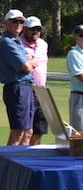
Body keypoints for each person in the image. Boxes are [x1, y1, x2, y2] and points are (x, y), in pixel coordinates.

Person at [0, 9, 39, 145]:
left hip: (26, 87)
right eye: (15, 21)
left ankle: (21, 165)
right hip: (16, 88)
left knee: (28, 131)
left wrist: (29, 62)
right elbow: (27, 66)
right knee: (18, 131)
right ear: (7, 23)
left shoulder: (17, 42)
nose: (19, 24)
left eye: (21, 21)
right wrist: (28, 62)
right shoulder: (6, 42)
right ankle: (6, 165)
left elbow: (34, 60)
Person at [20, 16, 48, 145]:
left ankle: (34, 155)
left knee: (39, 128)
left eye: (38, 29)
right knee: (26, 130)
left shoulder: (43, 44)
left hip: (41, 90)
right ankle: (21, 159)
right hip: (26, 89)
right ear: (25, 29)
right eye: (32, 29)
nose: (35, 32)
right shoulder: (18, 43)